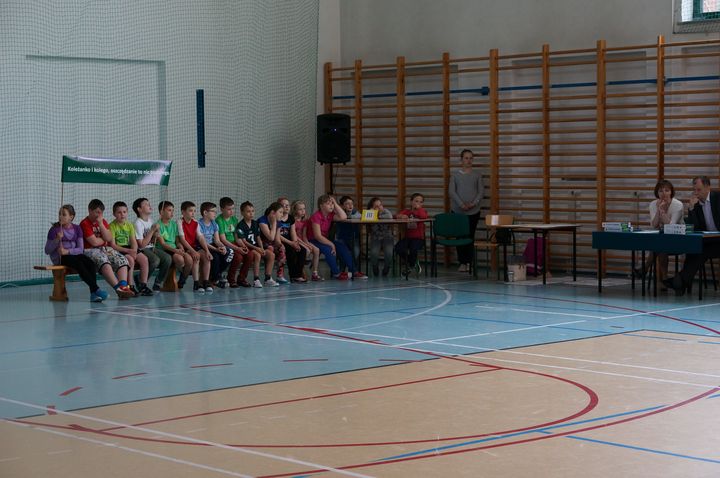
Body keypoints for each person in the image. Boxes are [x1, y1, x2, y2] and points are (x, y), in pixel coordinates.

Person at [664, 176, 720, 295]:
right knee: (694, 248)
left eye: (699, 190)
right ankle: (681, 282)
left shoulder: (718, 198)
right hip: (708, 240)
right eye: (694, 190)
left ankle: (680, 281)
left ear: (708, 187)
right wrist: (691, 208)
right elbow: (695, 227)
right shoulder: (696, 204)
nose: (696, 193)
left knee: (702, 250)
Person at [45, 205, 107, 302]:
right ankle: (96, 289)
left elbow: (80, 249)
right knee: (79, 264)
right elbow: (47, 250)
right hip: (61, 258)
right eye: (59, 214)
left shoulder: (77, 229)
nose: (60, 216)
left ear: (71, 217)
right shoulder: (54, 230)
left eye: (64, 214)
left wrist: (68, 251)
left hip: (73, 254)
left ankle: (93, 294)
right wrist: (57, 239)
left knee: (90, 264)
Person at [80, 199, 135, 298]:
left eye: (101, 213)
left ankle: (123, 286)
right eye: (97, 212)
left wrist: (101, 224)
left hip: (105, 248)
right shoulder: (85, 223)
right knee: (104, 261)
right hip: (90, 250)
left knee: (122, 259)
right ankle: (118, 289)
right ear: (89, 210)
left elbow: (109, 238)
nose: (99, 215)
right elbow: (94, 242)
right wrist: (104, 239)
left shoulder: (103, 222)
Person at [307, 194, 367, 280]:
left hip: (324, 240)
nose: (331, 205)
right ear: (321, 206)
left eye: (332, 203)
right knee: (329, 249)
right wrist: (331, 244)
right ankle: (336, 273)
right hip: (313, 240)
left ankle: (354, 271)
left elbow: (344, 217)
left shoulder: (330, 215)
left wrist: (335, 203)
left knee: (341, 246)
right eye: (328, 204)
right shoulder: (316, 216)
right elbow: (318, 236)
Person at [636, 180, 683, 285]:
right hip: (662, 239)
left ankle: (645, 268)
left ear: (671, 192)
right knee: (660, 245)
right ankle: (665, 280)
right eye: (661, 191)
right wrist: (659, 210)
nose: (664, 193)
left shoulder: (678, 205)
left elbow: (671, 226)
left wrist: (663, 211)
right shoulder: (653, 204)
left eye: (667, 190)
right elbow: (654, 225)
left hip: (678, 238)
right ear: (657, 193)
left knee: (660, 245)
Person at [449, 149, 483, 272]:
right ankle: (462, 262)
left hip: (473, 211)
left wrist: (473, 204)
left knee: (470, 236)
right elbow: (452, 191)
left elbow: (481, 192)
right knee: (460, 237)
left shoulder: (477, 175)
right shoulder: (455, 175)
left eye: (470, 158)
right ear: (461, 159)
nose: (468, 160)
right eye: (466, 158)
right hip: (458, 211)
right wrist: (461, 204)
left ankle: (469, 262)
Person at [109, 201, 152, 296]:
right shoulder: (112, 226)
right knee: (130, 260)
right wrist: (129, 251)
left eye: (124, 212)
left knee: (144, 259)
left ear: (127, 212)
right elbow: (113, 245)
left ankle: (143, 285)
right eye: (119, 212)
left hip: (129, 248)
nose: (122, 214)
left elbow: (133, 241)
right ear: (114, 214)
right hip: (119, 249)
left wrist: (134, 251)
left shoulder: (129, 225)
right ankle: (130, 285)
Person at [238, 201, 278, 287]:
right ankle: (256, 279)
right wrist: (257, 248)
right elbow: (244, 241)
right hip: (249, 248)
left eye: (252, 211)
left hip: (257, 247)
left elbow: (258, 237)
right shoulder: (240, 225)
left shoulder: (255, 223)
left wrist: (261, 248)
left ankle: (268, 278)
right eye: (248, 211)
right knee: (258, 255)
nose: (251, 213)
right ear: (242, 212)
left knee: (271, 255)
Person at [154, 200, 193, 290]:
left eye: (173, 210)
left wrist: (180, 247)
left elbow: (177, 241)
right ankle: (166, 279)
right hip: (164, 249)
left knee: (189, 260)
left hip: (175, 249)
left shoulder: (174, 224)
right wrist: (176, 251)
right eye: (169, 210)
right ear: (161, 212)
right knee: (179, 259)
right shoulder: (157, 225)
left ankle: (182, 281)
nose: (172, 213)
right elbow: (163, 244)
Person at [216, 197, 253, 288]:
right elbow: (223, 240)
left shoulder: (234, 219)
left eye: (232, 208)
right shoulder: (219, 220)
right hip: (226, 244)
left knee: (250, 254)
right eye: (229, 209)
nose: (231, 211)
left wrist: (243, 246)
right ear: (222, 209)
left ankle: (241, 279)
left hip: (234, 243)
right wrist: (237, 248)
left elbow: (236, 237)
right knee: (238, 257)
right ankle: (231, 279)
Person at [177, 201, 213, 294]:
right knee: (196, 258)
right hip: (185, 248)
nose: (193, 213)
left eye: (194, 211)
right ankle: (196, 283)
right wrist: (193, 251)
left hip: (193, 247)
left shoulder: (196, 222)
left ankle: (205, 282)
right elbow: (182, 240)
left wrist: (207, 251)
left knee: (207, 257)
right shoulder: (179, 222)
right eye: (190, 211)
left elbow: (200, 237)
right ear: (183, 212)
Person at [132, 197, 164, 292]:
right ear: (139, 209)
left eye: (149, 204)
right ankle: (142, 282)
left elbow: (153, 240)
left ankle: (158, 282)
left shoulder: (151, 221)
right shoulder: (138, 223)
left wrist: (156, 235)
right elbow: (141, 245)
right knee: (155, 260)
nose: (149, 205)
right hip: (142, 249)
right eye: (146, 204)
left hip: (151, 247)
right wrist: (152, 231)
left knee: (167, 259)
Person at [274, 197, 307, 283]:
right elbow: (277, 235)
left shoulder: (291, 218)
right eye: (283, 205)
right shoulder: (277, 218)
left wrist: (295, 243)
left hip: (290, 241)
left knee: (302, 250)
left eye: (287, 205)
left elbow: (293, 233)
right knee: (291, 251)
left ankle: (297, 274)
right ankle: (293, 275)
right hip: (280, 241)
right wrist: (291, 243)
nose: (286, 207)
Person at [198, 201, 230, 292]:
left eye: (216, 211)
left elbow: (217, 240)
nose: (215, 213)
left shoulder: (214, 224)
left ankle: (217, 275)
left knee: (228, 252)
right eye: (213, 211)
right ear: (205, 212)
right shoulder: (199, 224)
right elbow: (203, 241)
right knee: (215, 256)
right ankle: (215, 279)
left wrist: (222, 247)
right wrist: (216, 249)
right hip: (203, 246)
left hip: (212, 245)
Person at [395, 193, 429, 277]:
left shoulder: (422, 211)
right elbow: (396, 216)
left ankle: (410, 265)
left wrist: (418, 209)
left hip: (418, 238)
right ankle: (411, 263)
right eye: (416, 201)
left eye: (420, 202)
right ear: (411, 202)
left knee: (414, 249)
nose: (418, 203)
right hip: (408, 238)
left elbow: (423, 216)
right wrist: (401, 216)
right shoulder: (407, 211)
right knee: (398, 248)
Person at [291, 200, 322, 281]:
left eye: (304, 209)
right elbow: (295, 236)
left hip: (302, 240)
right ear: (295, 210)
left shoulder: (305, 221)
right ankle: (300, 270)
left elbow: (304, 236)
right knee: (307, 250)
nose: (303, 211)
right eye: (300, 209)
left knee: (316, 250)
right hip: (295, 240)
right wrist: (305, 246)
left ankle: (314, 273)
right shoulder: (292, 220)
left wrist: (307, 244)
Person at [258, 202, 288, 284]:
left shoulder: (279, 223)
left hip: (270, 244)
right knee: (270, 248)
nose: (282, 215)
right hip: (260, 244)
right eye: (280, 212)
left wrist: (281, 245)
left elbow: (277, 240)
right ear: (273, 213)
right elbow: (270, 237)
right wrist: (274, 222)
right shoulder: (262, 221)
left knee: (282, 249)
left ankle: (280, 275)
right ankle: (268, 277)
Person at [366, 197, 394, 277]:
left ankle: (386, 268)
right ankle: (375, 267)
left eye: (380, 205)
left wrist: (377, 217)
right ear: (372, 208)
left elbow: (389, 217)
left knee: (389, 253)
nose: (380, 207)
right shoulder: (370, 213)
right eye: (376, 206)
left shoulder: (385, 211)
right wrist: (372, 213)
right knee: (374, 253)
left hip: (387, 237)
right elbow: (365, 219)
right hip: (376, 238)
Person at [334, 195, 361, 269]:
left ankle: (353, 270)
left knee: (356, 253)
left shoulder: (355, 212)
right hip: (342, 238)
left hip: (354, 238)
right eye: (347, 204)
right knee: (343, 255)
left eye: (351, 203)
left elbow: (360, 216)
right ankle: (342, 270)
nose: (350, 205)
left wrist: (349, 216)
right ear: (342, 206)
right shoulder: (339, 213)